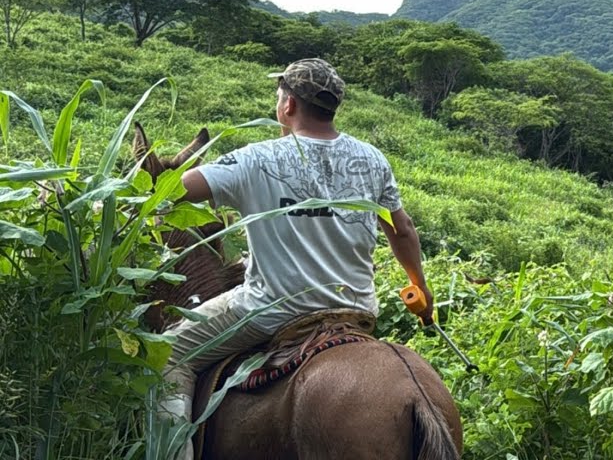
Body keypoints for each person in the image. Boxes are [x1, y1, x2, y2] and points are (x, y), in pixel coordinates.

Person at [157, 58, 431, 460]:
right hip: (355, 310)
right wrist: (420, 287)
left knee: (166, 356)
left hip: (271, 311)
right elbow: (402, 230)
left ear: (288, 104)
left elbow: (171, 191)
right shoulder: (372, 159)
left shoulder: (255, 158)